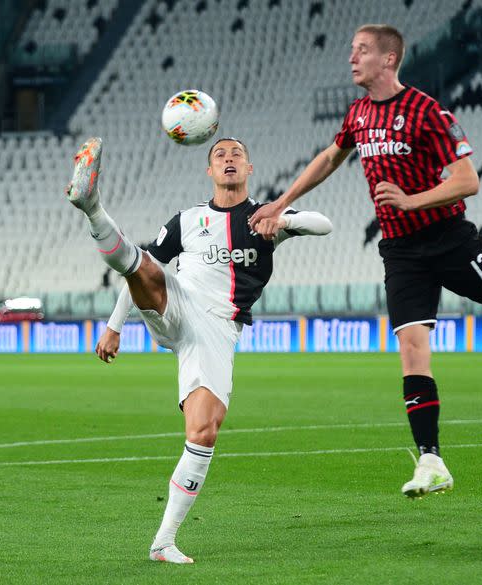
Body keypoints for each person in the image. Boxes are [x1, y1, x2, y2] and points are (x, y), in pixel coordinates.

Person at [250, 24, 482, 498]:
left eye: (361, 51)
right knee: (412, 350)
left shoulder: (426, 111)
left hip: (450, 239)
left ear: (389, 59)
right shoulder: (358, 113)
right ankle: (431, 461)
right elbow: (330, 157)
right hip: (401, 252)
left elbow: (467, 180)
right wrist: (281, 202)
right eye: (351, 49)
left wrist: (411, 200)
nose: (352, 59)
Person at [66, 136, 332, 563]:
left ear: (249, 168)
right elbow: (143, 268)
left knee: (203, 432)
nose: (228, 160)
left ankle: (162, 542)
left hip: (216, 330)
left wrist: (280, 219)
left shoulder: (265, 218)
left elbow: (324, 224)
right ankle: (92, 206)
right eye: (219, 155)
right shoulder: (187, 220)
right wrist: (115, 326)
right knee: (142, 264)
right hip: (179, 300)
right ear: (209, 171)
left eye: (236, 155)